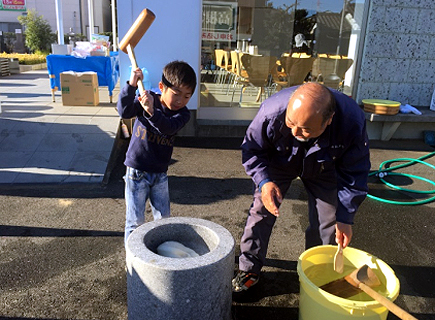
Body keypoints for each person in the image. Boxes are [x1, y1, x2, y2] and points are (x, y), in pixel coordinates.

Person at [232, 82, 370, 293]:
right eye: (290, 122)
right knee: (261, 210)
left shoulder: (351, 121)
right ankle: (248, 268)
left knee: (330, 221)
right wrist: (264, 182)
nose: (295, 131)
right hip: (281, 159)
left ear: (329, 120)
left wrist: (346, 218)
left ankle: (315, 271)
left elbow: (355, 172)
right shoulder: (271, 111)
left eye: (305, 129)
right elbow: (252, 150)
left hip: (325, 164)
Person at [117, 60, 197, 247]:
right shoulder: (147, 98)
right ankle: (134, 263)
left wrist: (152, 112)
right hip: (137, 170)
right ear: (162, 87)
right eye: (176, 94)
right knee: (135, 222)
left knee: (163, 219)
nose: (180, 101)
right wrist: (131, 85)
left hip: (160, 172)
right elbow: (124, 110)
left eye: (187, 96)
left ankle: (161, 255)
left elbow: (167, 129)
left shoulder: (183, 114)